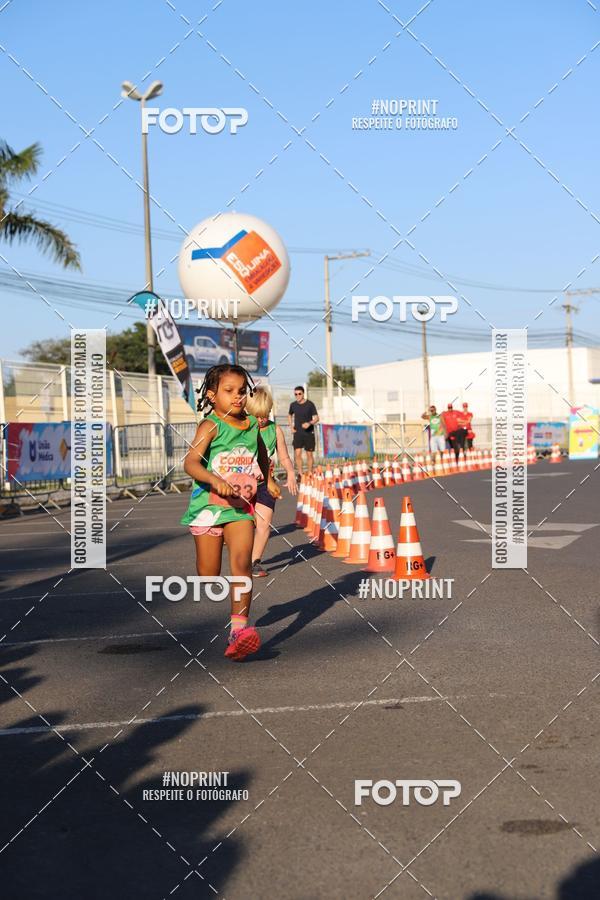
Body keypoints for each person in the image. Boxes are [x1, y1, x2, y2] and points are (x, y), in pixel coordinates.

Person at [181, 364, 279, 661]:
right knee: (209, 575)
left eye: (241, 391)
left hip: (240, 509)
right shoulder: (210, 426)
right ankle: (208, 541)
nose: (237, 397)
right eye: (229, 391)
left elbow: (262, 455)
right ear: (211, 396)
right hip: (209, 509)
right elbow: (191, 463)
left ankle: (238, 632)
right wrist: (215, 480)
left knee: (242, 565)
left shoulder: (252, 425)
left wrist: (269, 479)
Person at [245, 386, 297, 578]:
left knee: (264, 523)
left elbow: (283, 456)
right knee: (243, 524)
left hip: (266, 484)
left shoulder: (275, 430)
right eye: (257, 416)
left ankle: (254, 562)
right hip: (242, 484)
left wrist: (291, 472)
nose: (261, 419)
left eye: (265, 415)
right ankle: (240, 554)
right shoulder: (242, 429)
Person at [288, 386, 319, 478]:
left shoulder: (310, 404)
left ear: (303, 394)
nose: (297, 395)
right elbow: (289, 415)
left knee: (309, 454)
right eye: (295, 394)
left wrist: (309, 423)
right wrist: (291, 427)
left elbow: (317, 418)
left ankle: (310, 473)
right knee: (297, 454)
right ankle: (300, 474)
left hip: (309, 433)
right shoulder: (293, 405)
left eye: (299, 394)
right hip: (298, 433)